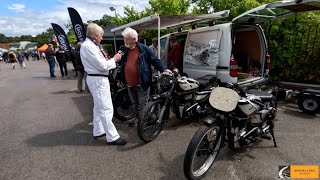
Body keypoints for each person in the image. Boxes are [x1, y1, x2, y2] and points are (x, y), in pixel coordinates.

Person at [80, 23, 126, 146]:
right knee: (106, 108)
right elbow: (102, 65)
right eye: (101, 35)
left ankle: (98, 130)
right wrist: (115, 59)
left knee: (99, 107)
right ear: (95, 35)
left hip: (97, 78)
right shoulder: (89, 47)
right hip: (98, 79)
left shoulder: (90, 45)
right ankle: (113, 137)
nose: (102, 38)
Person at [120, 27, 169, 127]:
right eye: (124, 38)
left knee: (142, 104)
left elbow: (154, 60)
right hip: (129, 83)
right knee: (134, 103)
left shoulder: (143, 49)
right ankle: (137, 118)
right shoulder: (125, 50)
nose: (125, 41)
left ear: (134, 39)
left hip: (142, 81)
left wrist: (163, 69)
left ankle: (143, 123)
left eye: (127, 39)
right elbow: (123, 63)